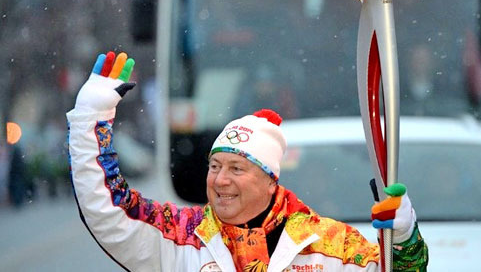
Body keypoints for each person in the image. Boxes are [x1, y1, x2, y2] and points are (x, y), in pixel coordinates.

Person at [67, 51, 428, 272]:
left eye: (237, 169)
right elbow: (110, 209)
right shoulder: (179, 237)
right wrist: (90, 120)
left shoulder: (330, 246)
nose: (220, 180)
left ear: (271, 181)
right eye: (215, 167)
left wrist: (402, 236)